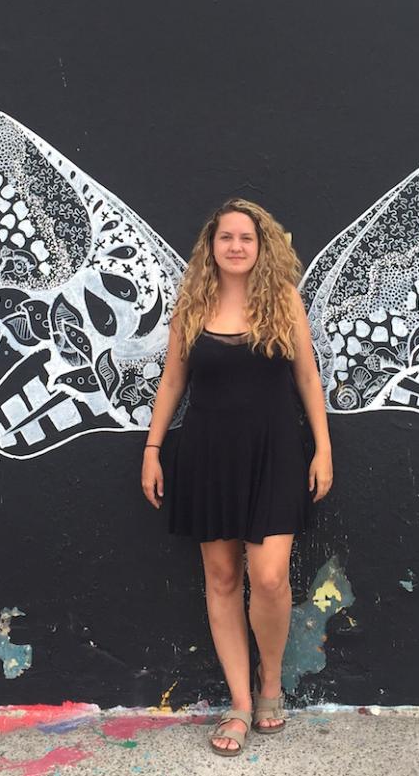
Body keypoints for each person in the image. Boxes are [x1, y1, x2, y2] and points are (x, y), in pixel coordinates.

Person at [139, 198, 334, 758]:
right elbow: (172, 383)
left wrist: (322, 449)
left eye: (246, 238)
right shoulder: (193, 303)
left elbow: (307, 377)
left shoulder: (284, 301)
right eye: (226, 237)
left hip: (275, 453)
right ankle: (240, 703)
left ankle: (271, 681)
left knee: (269, 577)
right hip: (207, 454)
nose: (236, 246)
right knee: (222, 578)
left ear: (261, 244)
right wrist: (153, 450)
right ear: (212, 246)